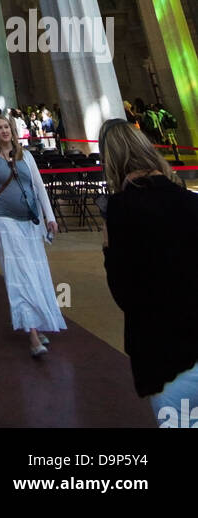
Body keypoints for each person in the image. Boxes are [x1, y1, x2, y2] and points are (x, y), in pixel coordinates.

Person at [99, 119, 198, 425]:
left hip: (165, 354)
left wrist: (109, 250)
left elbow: (124, 293)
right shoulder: (190, 201)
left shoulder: (119, 211)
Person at [0, 113, 65, 358]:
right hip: (5, 220)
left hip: (29, 220)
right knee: (19, 273)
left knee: (36, 272)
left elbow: (38, 187)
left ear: (12, 130)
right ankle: (33, 334)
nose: (4, 131)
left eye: (7, 127)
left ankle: (37, 321)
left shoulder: (26, 155)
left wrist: (50, 217)